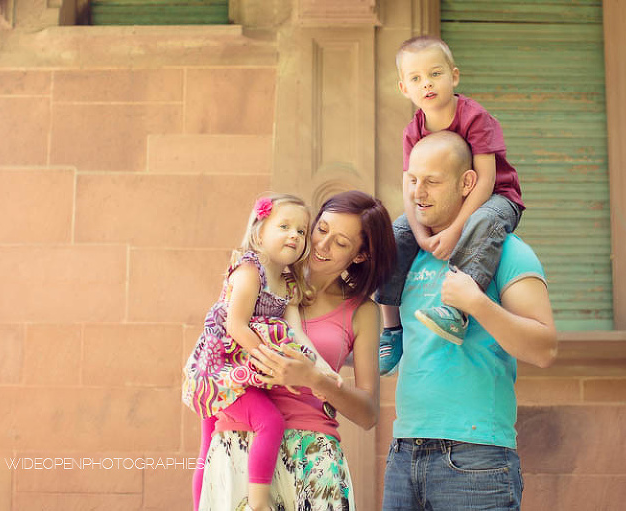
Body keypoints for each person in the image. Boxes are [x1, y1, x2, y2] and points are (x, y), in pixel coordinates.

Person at [382, 131, 557, 511]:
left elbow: (544, 348)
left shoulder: (507, 250)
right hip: (403, 452)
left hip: (475, 458)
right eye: (412, 180)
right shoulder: (410, 255)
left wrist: (477, 304)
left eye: (432, 181)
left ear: (467, 183)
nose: (418, 192)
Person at [197, 190, 396, 511]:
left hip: (312, 457)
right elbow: (218, 347)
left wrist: (316, 379)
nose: (322, 244)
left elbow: (369, 413)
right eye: (322, 229)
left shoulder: (361, 312)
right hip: (239, 447)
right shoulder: (263, 278)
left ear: (359, 256)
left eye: (341, 243)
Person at [182, 193, 341, 511]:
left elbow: (297, 336)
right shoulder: (248, 270)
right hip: (220, 366)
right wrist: (269, 358)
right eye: (284, 226)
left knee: (213, 435)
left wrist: (323, 368)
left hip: (246, 366)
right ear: (259, 231)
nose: (294, 236)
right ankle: (257, 504)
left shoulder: (288, 283)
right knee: (266, 421)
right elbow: (235, 326)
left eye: (300, 231)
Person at [378, 36, 526, 375]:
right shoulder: (413, 130)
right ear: (404, 87)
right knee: (394, 235)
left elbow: (485, 180)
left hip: (496, 199)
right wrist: (421, 233)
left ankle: (456, 313)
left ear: (453, 76)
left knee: (484, 222)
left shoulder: (475, 118)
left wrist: (455, 229)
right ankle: (391, 328)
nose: (426, 83)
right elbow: (409, 185)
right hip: (442, 206)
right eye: (415, 78)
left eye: (435, 73)